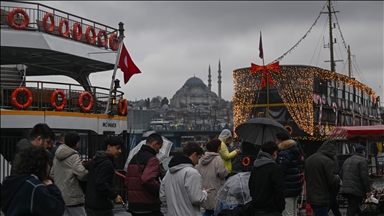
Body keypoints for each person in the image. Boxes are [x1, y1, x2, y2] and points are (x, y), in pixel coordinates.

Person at [1, 146, 65, 216]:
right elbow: (57, 210)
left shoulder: (12, 182)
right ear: (43, 165)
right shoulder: (35, 186)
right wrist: (52, 187)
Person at [159, 142, 208, 216]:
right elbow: (196, 199)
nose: (198, 162)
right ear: (194, 154)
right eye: (199, 158)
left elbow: (162, 197)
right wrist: (204, 193)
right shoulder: (192, 173)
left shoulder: (168, 172)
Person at [50, 131, 88, 216]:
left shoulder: (56, 156)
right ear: (77, 143)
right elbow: (82, 174)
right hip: (73, 196)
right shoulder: (74, 156)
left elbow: (52, 173)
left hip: (60, 195)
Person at [125, 133, 164, 216]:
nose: (158, 151)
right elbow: (147, 179)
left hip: (133, 205)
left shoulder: (134, 158)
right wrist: (160, 191)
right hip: (148, 204)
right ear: (155, 144)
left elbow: (126, 181)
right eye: (159, 147)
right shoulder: (152, 160)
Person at [84, 136, 124, 216]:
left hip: (90, 202)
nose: (120, 151)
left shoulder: (96, 160)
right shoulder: (107, 163)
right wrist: (114, 195)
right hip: (101, 205)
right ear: (109, 147)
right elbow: (101, 183)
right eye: (117, 148)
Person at [249, 141, 285, 216]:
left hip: (257, 209)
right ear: (274, 153)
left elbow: (251, 187)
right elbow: (279, 190)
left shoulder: (255, 167)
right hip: (272, 210)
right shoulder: (275, 169)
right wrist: (280, 207)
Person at [304, 140, 340, 216]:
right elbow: (332, 180)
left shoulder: (309, 159)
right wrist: (337, 178)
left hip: (311, 195)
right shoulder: (327, 161)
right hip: (322, 195)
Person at [196, 138, 228, 216]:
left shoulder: (201, 158)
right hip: (215, 188)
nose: (220, 148)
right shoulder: (217, 158)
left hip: (205, 188)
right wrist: (226, 169)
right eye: (219, 146)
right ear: (216, 147)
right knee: (216, 209)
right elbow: (222, 173)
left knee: (208, 209)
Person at [275, 132, 302, 216]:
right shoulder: (293, 151)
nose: (276, 142)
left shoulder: (284, 153)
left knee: (288, 212)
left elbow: (280, 171)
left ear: (280, 141)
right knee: (293, 211)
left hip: (287, 187)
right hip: (294, 186)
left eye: (276, 140)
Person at [339, 145, 371, 216]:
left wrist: (347, 181)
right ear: (363, 152)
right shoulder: (363, 160)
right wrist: (367, 190)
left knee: (352, 205)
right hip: (356, 189)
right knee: (353, 207)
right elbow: (364, 177)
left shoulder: (347, 160)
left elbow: (341, 173)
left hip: (346, 188)